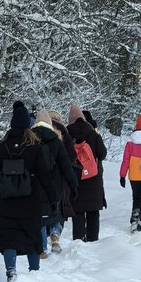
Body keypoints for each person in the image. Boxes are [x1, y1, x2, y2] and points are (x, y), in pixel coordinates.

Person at [0, 101, 56, 282]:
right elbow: (44, 175)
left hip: (5, 199)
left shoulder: (1, 146)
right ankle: (34, 272)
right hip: (30, 200)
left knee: (9, 236)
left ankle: (11, 270)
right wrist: (53, 198)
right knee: (32, 235)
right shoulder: (34, 147)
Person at [31, 109, 78, 256]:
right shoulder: (56, 141)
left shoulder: (29, 141)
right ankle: (55, 237)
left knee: (39, 215)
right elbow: (66, 165)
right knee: (55, 212)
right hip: (55, 184)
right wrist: (74, 185)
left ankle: (42, 248)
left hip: (35, 184)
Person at [66, 104, 107, 241]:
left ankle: (79, 240)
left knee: (78, 211)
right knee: (93, 211)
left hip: (76, 178)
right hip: (93, 179)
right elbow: (102, 153)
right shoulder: (93, 134)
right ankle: (93, 239)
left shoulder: (67, 135)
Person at [47, 109, 80, 253]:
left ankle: (44, 236)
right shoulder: (65, 134)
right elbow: (72, 156)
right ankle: (55, 234)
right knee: (59, 207)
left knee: (45, 206)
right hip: (61, 177)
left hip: (43, 176)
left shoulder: (39, 132)